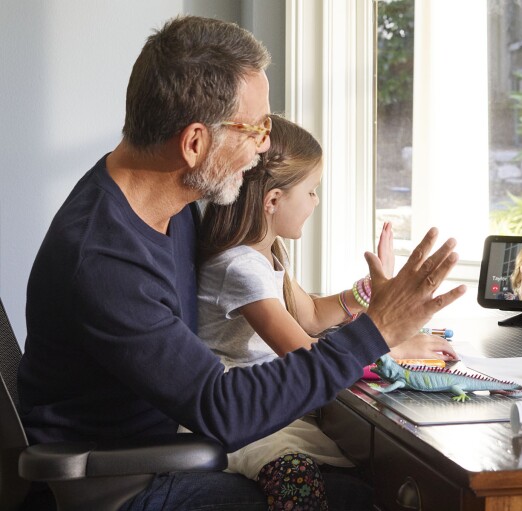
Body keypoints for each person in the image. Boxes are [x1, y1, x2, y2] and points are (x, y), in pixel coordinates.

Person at [17, 15, 465, 511]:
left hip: (163, 447)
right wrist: (377, 330)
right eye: (256, 129)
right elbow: (223, 407)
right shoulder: (104, 259)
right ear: (194, 144)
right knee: (370, 499)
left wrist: (362, 309)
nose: (266, 145)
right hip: (122, 485)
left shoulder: (169, 203)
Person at [192, 115, 456, 509]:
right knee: (299, 476)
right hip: (244, 415)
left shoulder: (264, 252)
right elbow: (303, 353)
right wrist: (390, 343)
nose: (316, 202)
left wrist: (366, 294)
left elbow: (311, 315)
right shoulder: (241, 268)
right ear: (273, 201)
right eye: (312, 191)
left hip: (266, 404)